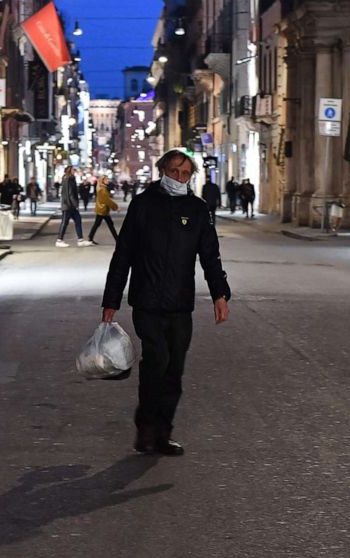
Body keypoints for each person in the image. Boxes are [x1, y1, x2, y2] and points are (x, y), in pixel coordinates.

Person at [101, 148, 231, 456]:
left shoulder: (197, 209)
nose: (179, 178)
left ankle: (162, 433)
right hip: (146, 302)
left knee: (174, 370)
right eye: (174, 171)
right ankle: (146, 426)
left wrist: (220, 295)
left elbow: (210, 256)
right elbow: (124, 256)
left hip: (180, 304)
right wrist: (111, 300)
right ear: (163, 170)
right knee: (156, 360)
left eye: (185, 173)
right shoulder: (143, 205)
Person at [56, 167, 94, 248]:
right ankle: (59, 240)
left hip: (70, 205)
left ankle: (80, 240)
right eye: (73, 170)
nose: (75, 171)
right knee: (65, 222)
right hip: (68, 205)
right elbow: (70, 194)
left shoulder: (70, 179)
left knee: (78, 220)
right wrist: (75, 204)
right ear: (69, 171)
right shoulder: (68, 180)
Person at [88, 176, 119, 244]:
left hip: (102, 209)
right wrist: (116, 207)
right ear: (102, 180)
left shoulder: (102, 187)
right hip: (103, 210)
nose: (108, 180)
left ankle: (90, 238)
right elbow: (107, 200)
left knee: (98, 224)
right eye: (106, 179)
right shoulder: (102, 189)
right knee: (110, 225)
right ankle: (117, 240)